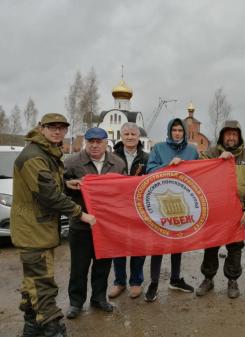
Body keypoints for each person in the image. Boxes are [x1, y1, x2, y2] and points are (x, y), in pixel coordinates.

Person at [10, 113, 96, 337]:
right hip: (33, 231)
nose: (57, 131)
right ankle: (52, 328)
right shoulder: (34, 157)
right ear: (41, 128)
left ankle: (31, 326)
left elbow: (49, 185)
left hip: (39, 229)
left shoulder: (46, 152)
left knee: (34, 281)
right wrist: (81, 214)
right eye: (52, 127)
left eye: (62, 128)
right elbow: (48, 195)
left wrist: (67, 183)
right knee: (42, 284)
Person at [64, 127, 126, 319]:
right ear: (86, 143)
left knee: (103, 265)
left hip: (106, 225)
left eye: (99, 141)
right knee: (79, 266)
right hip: (81, 223)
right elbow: (60, 190)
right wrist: (71, 184)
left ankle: (99, 298)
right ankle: (76, 303)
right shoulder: (72, 162)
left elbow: (123, 191)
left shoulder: (117, 163)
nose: (95, 145)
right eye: (91, 141)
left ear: (106, 143)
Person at [196, 120, 245, 299]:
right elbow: (198, 173)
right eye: (228, 134)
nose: (231, 137)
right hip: (214, 210)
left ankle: (232, 280)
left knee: (235, 247)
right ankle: (208, 279)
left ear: (238, 136)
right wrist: (218, 160)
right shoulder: (210, 153)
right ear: (222, 135)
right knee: (211, 246)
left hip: (237, 211)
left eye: (234, 134)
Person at [144, 118, 198, 302]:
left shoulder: (192, 151)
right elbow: (149, 171)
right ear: (169, 131)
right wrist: (168, 166)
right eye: (174, 129)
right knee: (158, 243)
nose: (177, 133)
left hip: (184, 202)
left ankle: (175, 279)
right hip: (160, 203)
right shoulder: (158, 148)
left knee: (178, 242)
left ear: (184, 132)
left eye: (180, 130)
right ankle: (153, 282)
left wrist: (222, 160)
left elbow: (201, 171)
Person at [108, 123, 148, 299]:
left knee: (139, 245)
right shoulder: (111, 157)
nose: (130, 136)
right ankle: (119, 282)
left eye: (133, 133)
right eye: (126, 133)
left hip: (140, 208)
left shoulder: (147, 158)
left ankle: (136, 282)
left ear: (138, 136)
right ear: (121, 136)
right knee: (118, 246)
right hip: (118, 209)